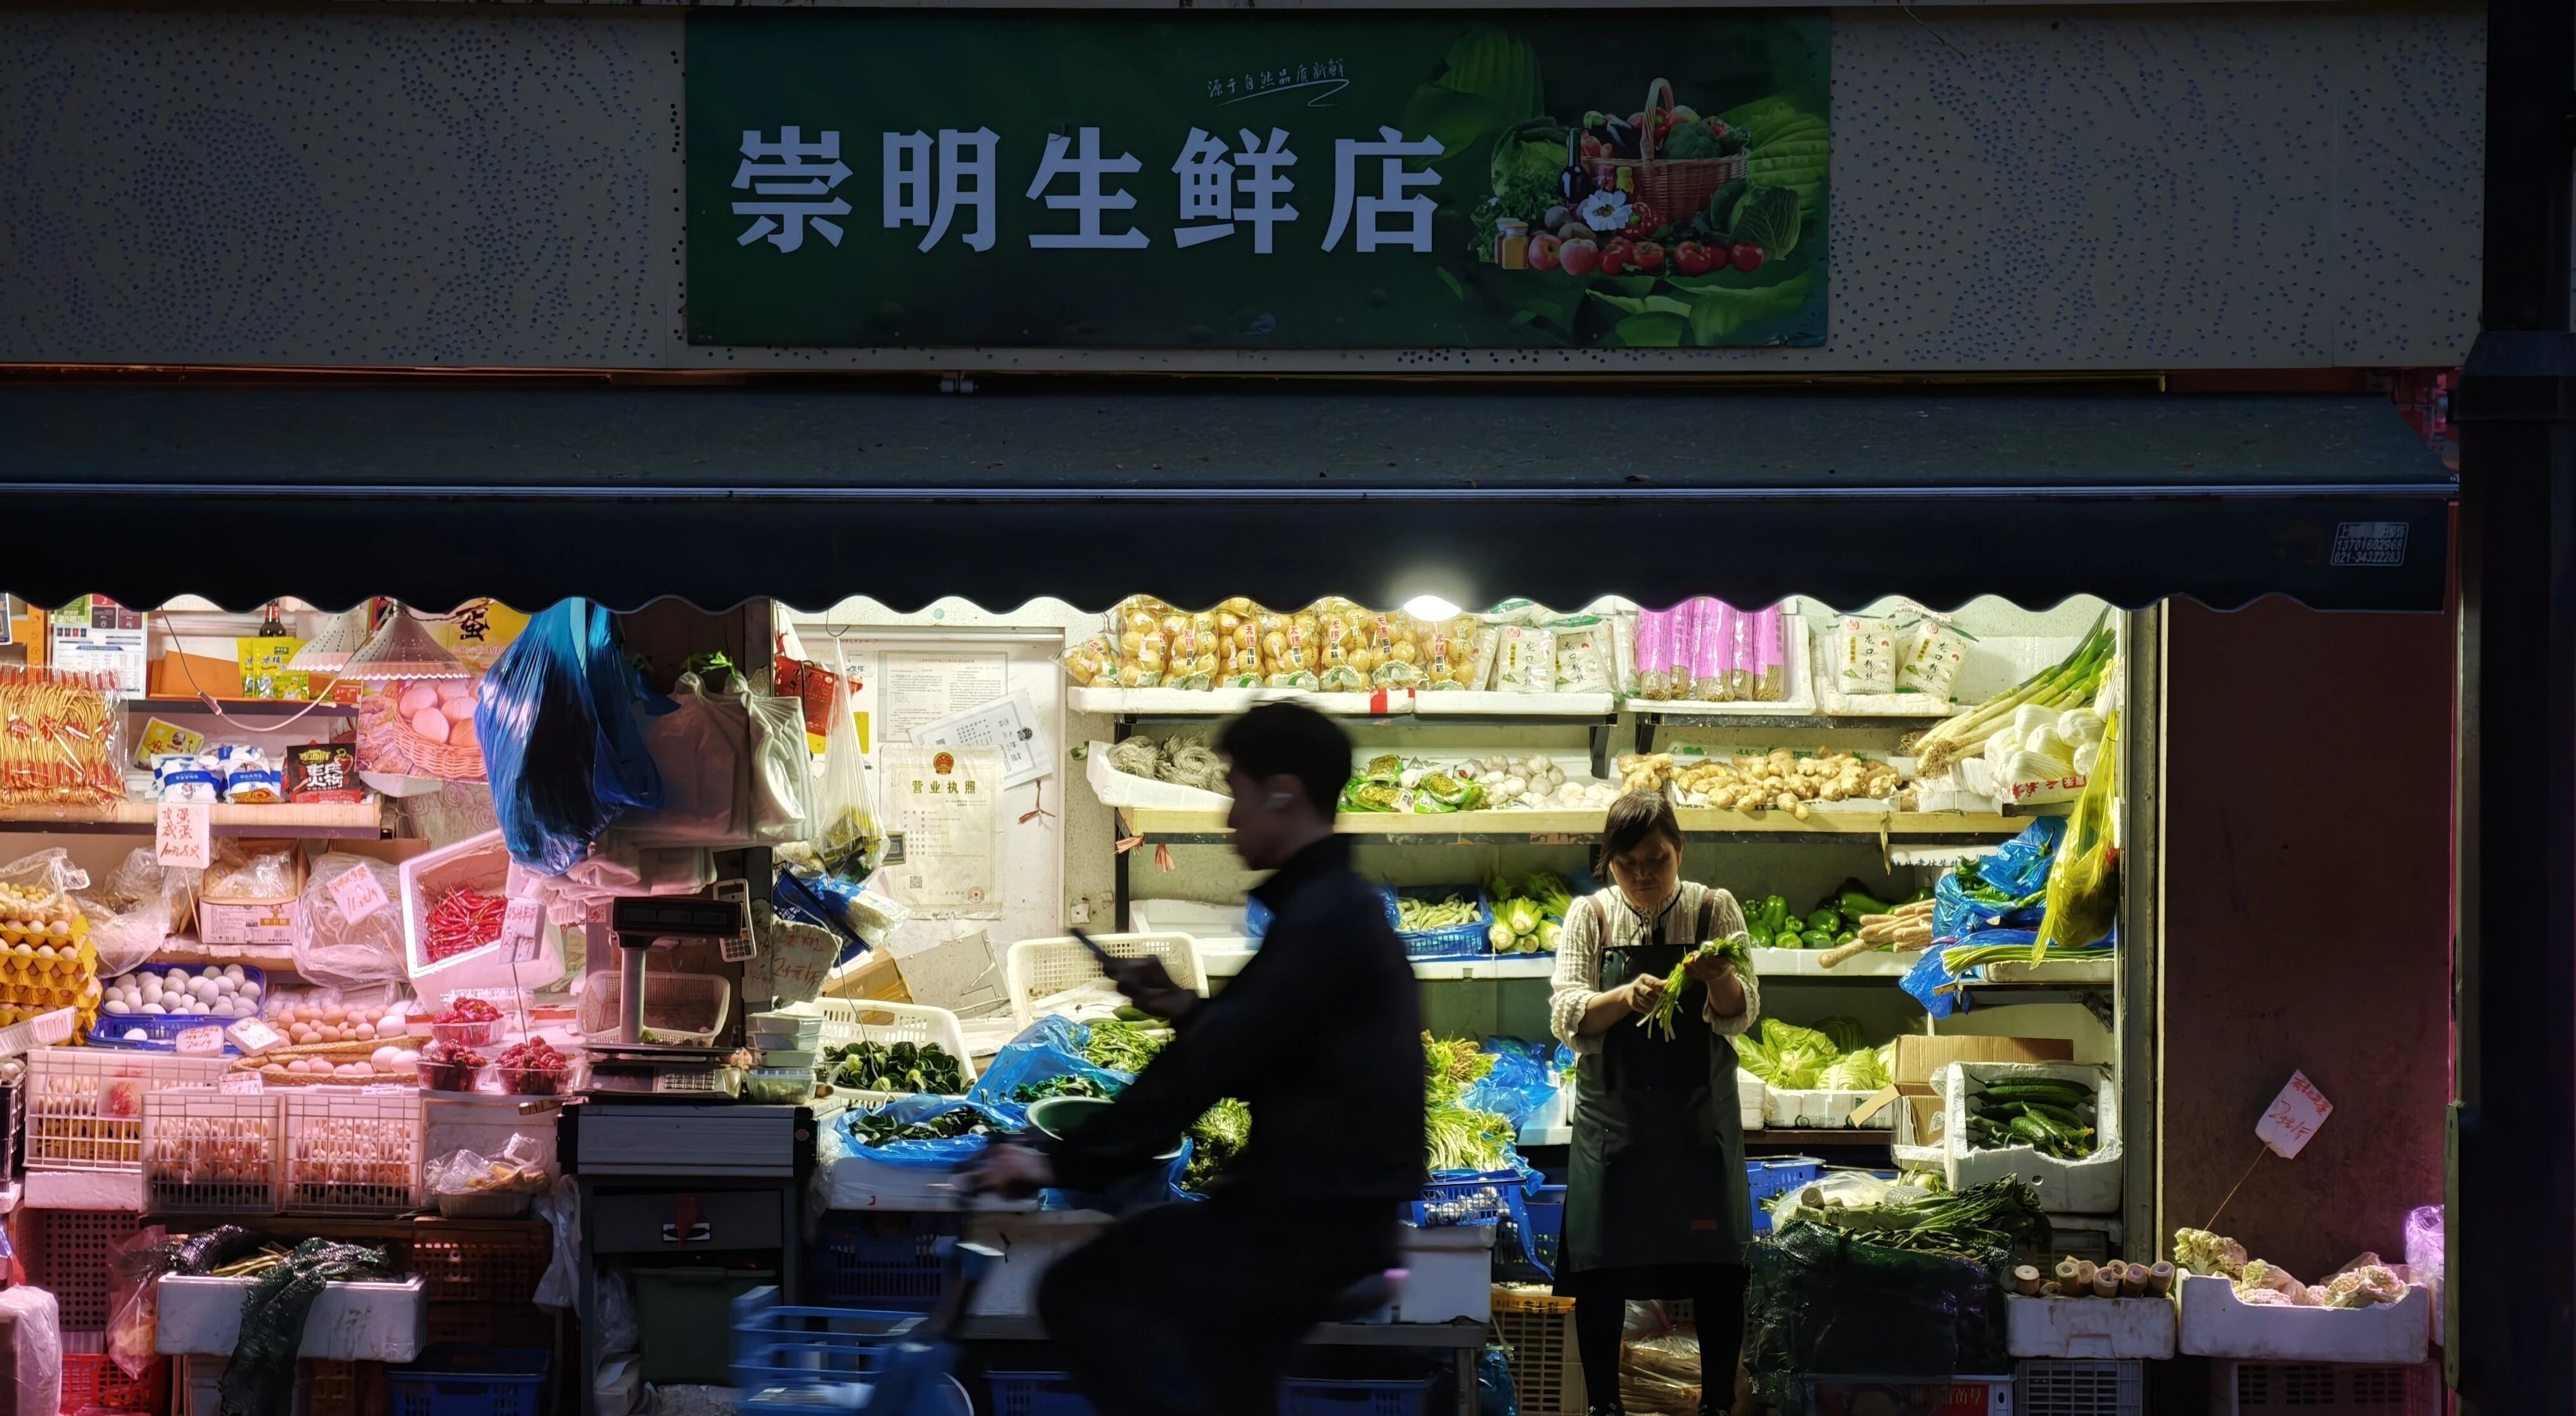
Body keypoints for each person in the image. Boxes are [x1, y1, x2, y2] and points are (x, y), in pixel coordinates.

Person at [976, 701, 1425, 1416]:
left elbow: (1204, 1068)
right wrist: (1180, 1006)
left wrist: (1058, 1163)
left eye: (1237, 793)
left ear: (1283, 794)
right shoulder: (1331, 908)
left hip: (1309, 1223)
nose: (1230, 817)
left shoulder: (1325, 920)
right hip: (1326, 1216)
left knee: (1082, 1289)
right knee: (1224, 1363)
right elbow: (1265, 1044)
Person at [1548, 790, 1763, 1416]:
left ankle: (1716, 1405)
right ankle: (1605, 1408)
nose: (1642, 875)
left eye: (1656, 860)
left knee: (1716, 1272)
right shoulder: (1590, 916)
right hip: (1615, 1129)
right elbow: (1567, 1013)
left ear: (1680, 851)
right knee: (1602, 1272)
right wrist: (1622, 998)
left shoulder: (1713, 909)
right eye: (1627, 864)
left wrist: (1719, 977)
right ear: (1608, 861)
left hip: (1698, 1126)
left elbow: (1743, 1011)